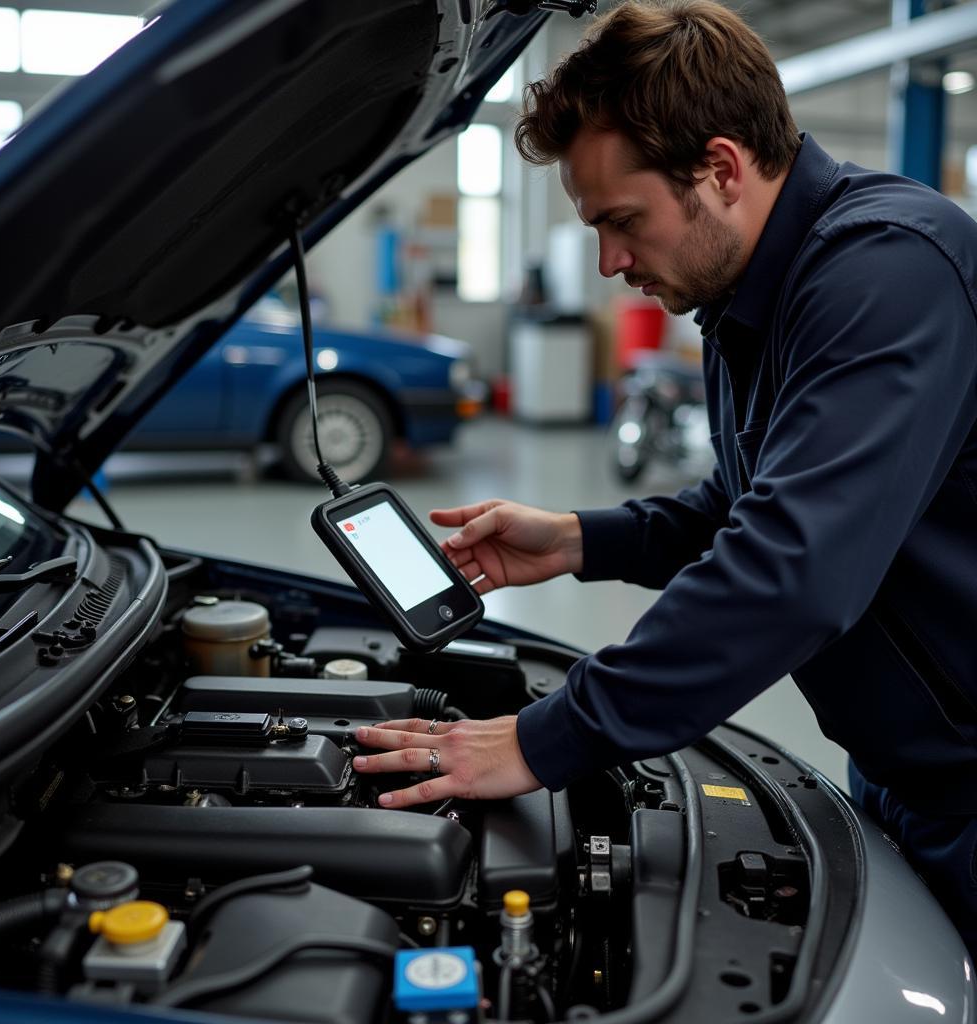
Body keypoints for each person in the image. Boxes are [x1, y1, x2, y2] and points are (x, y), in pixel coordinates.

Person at [352, 0, 977, 952]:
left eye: (622, 220)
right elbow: (745, 501)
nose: (609, 262)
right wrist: (579, 539)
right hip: (905, 768)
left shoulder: (888, 273)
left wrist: (541, 740)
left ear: (721, 169)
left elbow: (792, 570)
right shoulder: (748, 295)